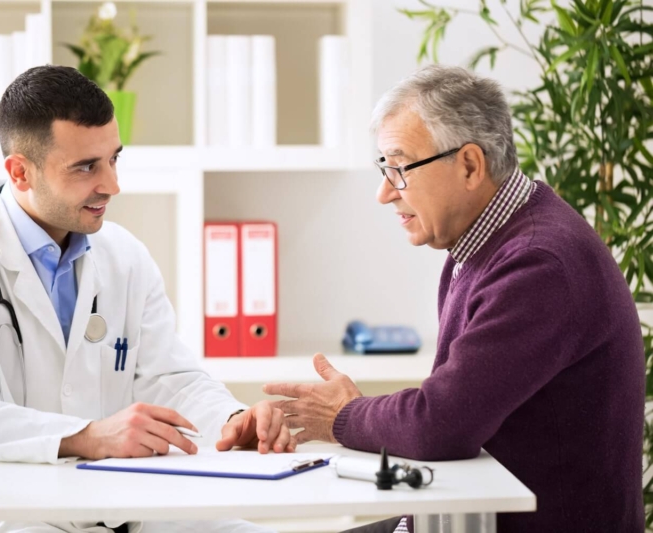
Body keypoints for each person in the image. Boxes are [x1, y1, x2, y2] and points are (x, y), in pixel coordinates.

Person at [0, 65, 293, 533]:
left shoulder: (124, 255)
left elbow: (171, 377)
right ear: (20, 172)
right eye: (86, 167)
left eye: (113, 159)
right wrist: (82, 436)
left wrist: (232, 418)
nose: (111, 185)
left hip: (111, 507)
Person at [264, 65, 645, 532]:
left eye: (400, 167)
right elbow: (450, 407)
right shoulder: (480, 246)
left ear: (469, 165)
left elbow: (440, 424)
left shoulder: (538, 264)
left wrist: (343, 415)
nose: (385, 193)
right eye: (384, 167)